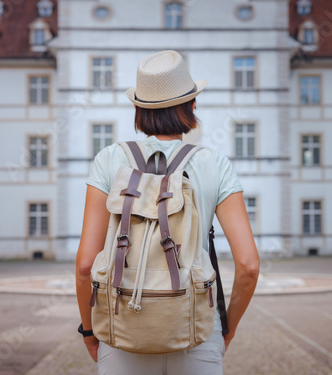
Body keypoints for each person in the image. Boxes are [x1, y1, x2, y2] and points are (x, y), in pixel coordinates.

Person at [75, 50, 260, 375]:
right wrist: (224, 329)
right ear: (191, 106)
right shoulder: (214, 163)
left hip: (122, 333)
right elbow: (248, 266)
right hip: (195, 332)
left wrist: (90, 332)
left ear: (138, 110)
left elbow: (86, 266)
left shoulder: (108, 159)